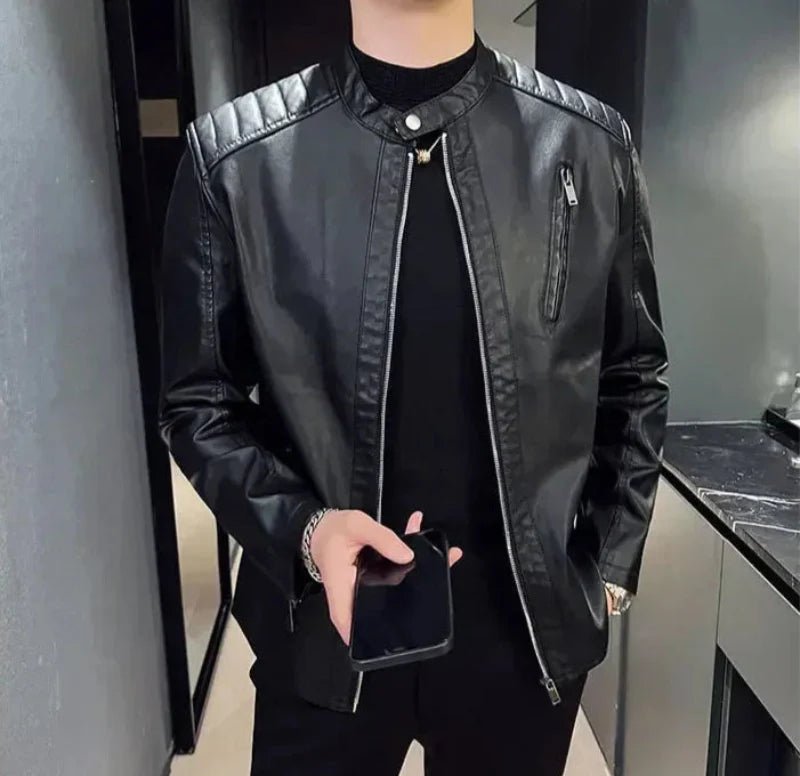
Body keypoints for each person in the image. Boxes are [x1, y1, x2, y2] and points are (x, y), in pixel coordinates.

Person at [159, 0, 669, 773]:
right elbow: (199, 402)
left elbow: (632, 374)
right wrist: (305, 531)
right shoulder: (238, 158)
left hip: (523, 640)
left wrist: (608, 570)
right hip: (325, 630)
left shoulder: (588, 145)